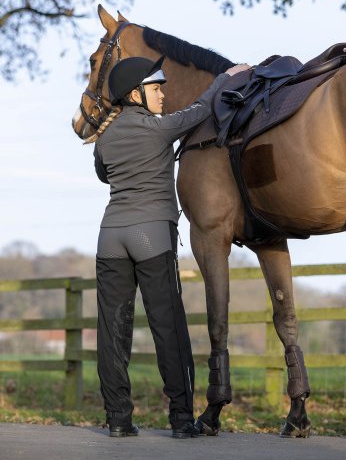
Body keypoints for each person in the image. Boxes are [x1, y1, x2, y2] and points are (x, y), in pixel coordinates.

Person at [84, 55, 249, 439]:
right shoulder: (160, 129)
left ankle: (118, 420)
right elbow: (203, 107)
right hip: (148, 237)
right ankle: (180, 419)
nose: (163, 94)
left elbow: (103, 171)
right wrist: (226, 76)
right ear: (135, 94)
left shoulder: (104, 139)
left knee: (112, 331)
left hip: (110, 237)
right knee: (168, 327)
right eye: (155, 88)